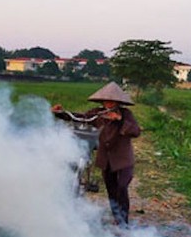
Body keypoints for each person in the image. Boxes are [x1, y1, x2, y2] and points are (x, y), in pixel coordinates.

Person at [52, 82, 141, 226]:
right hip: (106, 159)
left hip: (123, 159)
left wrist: (119, 120)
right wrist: (61, 113)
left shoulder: (126, 114)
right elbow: (80, 117)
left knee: (122, 187)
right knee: (111, 189)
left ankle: (123, 221)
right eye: (106, 100)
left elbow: (136, 131)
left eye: (112, 100)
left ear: (118, 101)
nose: (108, 103)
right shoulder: (97, 113)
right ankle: (117, 217)